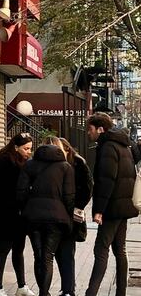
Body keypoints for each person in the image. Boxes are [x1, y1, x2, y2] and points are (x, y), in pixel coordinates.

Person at [85, 112, 139, 296]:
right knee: (119, 249)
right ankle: (121, 292)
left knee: (101, 250)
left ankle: (91, 292)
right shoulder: (124, 144)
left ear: (101, 129)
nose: (88, 133)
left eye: (90, 129)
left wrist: (99, 210)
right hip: (123, 205)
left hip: (112, 207)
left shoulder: (108, 146)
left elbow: (106, 180)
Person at [17, 138, 75, 296]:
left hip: (32, 217)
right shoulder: (65, 167)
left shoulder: (29, 165)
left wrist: (26, 208)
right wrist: (68, 215)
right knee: (48, 256)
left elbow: (21, 192)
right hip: (56, 218)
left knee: (38, 255)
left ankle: (44, 292)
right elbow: (69, 196)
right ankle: (44, 293)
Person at [0, 133, 35, 296]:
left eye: (30, 148)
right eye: (25, 148)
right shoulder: (5, 162)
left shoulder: (25, 162)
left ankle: (21, 286)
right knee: (3, 249)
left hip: (19, 215)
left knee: (18, 250)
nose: (29, 152)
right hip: (6, 215)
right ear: (16, 147)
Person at [52, 138, 93, 296]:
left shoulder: (78, 163)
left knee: (67, 252)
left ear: (67, 149)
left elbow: (88, 188)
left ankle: (69, 289)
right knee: (59, 253)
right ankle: (67, 287)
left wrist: (78, 207)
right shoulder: (58, 165)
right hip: (57, 213)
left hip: (71, 214)